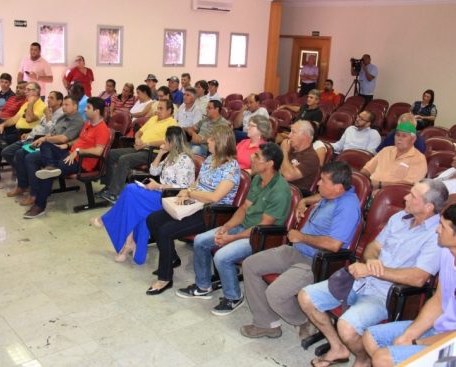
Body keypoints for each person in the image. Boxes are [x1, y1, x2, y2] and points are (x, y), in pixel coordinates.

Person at [298, 179, 447, 367]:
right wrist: (371, 261)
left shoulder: (436, 235)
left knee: (347, 327)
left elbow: (418, 278)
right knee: (306, 297)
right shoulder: (399, 217)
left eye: (413, 196)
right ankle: (338, 348)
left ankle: (363, 358)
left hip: (387, 295)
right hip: (362, 281)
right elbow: (373, 247)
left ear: (428, 207)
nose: (405, 197)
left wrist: (373, 270)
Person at [240, 161, 361, 340]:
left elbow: (335, 244)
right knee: (250, 265)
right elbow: (320, 197)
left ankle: (307, 319)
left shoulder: (348, 207)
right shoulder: (333, 195)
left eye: (323, 181)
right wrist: (303, 201)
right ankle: (267, 324)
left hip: (316, 262)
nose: (318, 184)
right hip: (296, 251)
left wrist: (301, 237)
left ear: (338, 187)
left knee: (275, 293)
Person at [177, 142, 291, 316]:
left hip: (262, 237)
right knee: (201, 240)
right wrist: (227, 226)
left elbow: (262, 227)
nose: (252, 158)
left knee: (222, 256)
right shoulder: (259, 179)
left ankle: (233, 296)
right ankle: (203, 286)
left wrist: (231, 238)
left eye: (257, 156)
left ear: (269, 164)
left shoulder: (280, 190)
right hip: (243, 227)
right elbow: (244, 207)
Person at [146, 125, 241, 295]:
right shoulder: (209, 160)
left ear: (220, 143)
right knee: (153, 220)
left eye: (211, 139)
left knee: (166, 230)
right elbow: (198, 183)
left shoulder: (232, 168)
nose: (207, 141)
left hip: (213, 213)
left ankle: (164, 278)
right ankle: (171, 257)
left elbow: (215, 197)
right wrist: (186, 191)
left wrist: (191, 193)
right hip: (196, 204)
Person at [363, 204, 456, 367]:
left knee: (383, 358)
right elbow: (439, 299)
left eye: (443, 226)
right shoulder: (448, 253)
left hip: (452, 345)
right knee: (371, 337)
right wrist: (409, 335)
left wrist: (418, 343)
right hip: (440, 327)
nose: (437, 230)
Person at [91, 126, 195, 264]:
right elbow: (153, 171)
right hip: (161, 192)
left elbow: (182, 187)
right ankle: (129, 243)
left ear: (173, 141)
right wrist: (160, 153)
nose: (164, 141)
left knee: (131, 191)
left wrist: (158, 186)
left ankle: (107, 222)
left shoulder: (185, 160)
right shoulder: (171, 155)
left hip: (171, 198)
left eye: (166, 140)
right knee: (131, 198)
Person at [26, 97, 109, 218]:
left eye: (88, 107)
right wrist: (67, 145)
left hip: (82, 162)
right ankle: (51, 166)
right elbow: (80, 139)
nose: (85, 110)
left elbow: (98, 151)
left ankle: (39, 206)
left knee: (47, 174)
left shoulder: (102, 129)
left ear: (96, 111)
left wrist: (79, 152)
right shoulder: (88, 123)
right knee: (46, 144)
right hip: (70, 154)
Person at [6, 95, 83, 207]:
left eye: (67, 105)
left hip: (59, 150)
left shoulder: (77, 120)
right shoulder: (63, 117)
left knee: (30, 158)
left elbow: (63, 139)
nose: (64, 107)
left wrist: (45, 139)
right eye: (64, 105)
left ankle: (34, 194)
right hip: (49, 145)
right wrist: (43, 138)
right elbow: (53, 132)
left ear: (75, 106)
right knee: (20, 153)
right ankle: (22, 186)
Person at [98, 100, 178, 203]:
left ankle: (114, 193)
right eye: (157, 108)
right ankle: (108, 186)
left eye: (161, 108)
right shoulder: (153, 118)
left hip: (152, 153)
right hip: (139, 148)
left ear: (169, 110)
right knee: (111, 153)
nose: (157, 111)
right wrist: (137, 138)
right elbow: (139, 131)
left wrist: (147, 143)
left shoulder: (172, 123)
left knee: (124, 159)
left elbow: (168, 141)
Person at [0, 82, 46, 181]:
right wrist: (2, 125)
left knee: (0, 144)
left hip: (29, 134)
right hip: (18, 132)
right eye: (25, 90)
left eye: (28, 90)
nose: (25, 92)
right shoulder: (25, 104)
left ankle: (23, 170)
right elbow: (14, 119)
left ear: (36, 92)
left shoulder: (41, 105)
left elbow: (29, 119)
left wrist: (31, 103)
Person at [1, 90, 64, 170]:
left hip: (40, 140)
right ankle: (21, 171)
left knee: (19, 154)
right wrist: (29, 133)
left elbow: (52, 132)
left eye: (51, 98)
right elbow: (39, 126)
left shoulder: (61, 115)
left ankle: (24, 173)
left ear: (59, 101)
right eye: (48, 97)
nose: (48, 100)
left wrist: (48, 116)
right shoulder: (49, 111)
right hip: (30, 136)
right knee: (6, 152)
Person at [362, 121, 427, 191]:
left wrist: (380, 184)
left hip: (392, 195)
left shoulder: (419, 159)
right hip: (369, 189)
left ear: (413, 139)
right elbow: (367, 169)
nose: (399, 138)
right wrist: (361, 179)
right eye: (397, 135)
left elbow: (409, 185)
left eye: (404, 136)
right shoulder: (386, 150)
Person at [280, 120, 320, 196]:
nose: (289, 136)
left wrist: (284, 151)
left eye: (293, 132)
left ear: (304, 136)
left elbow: (288, 175)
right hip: (279, 187)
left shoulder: (311, 158)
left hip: (292, 194)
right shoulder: (290, 148)